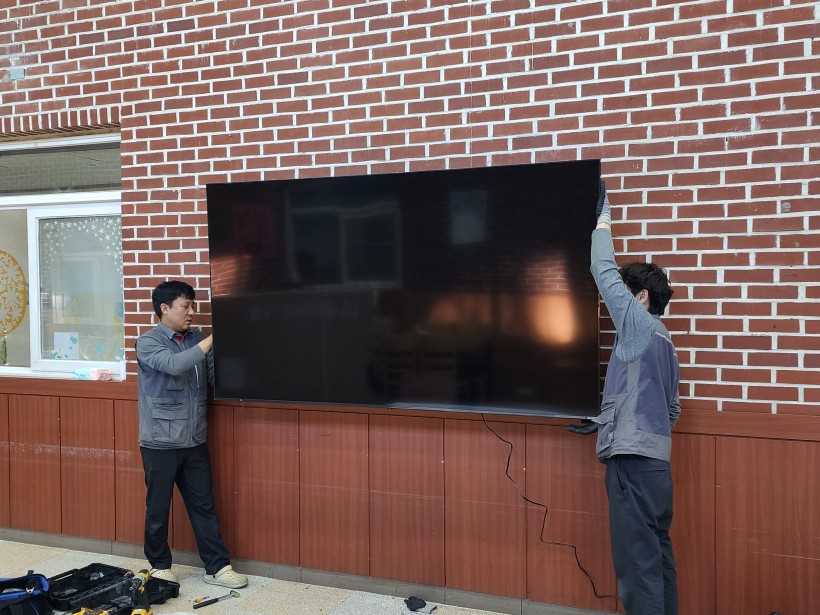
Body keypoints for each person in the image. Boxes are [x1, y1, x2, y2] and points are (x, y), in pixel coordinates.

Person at [580, 182, 681, 614]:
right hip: (657, 468)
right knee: (657, 558)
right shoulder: (667, 342)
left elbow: (602, 268)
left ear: (641, 298)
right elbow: (670, 410)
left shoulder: (638, 325)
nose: (614, 305)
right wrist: (610, 420)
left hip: (633, 468)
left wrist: (603, 217)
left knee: (637, 569)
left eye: (624, 295)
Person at [136, 280, 247, 589]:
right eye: (185, 306)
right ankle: (159, 566)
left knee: (204, 507)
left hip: (195, 440)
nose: (191, 312)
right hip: (159, 443)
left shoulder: (197, 339)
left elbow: (215, 379)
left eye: (192, 305)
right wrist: (214, 339)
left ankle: (217, 567)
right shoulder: (148, 342)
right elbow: (173, 365)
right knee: (158, 509)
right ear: (165, 308)